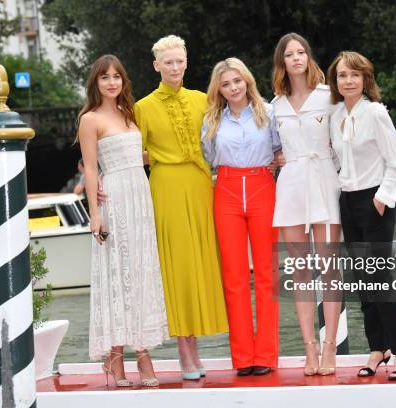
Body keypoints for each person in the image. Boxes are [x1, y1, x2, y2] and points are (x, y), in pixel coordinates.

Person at [133, 35, 229, 380]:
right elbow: (134, 153)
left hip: (202, 187)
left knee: (201, 267)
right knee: (176, 270)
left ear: (186, 63)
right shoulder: (142, 107)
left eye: (179, 61)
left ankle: (196, 349)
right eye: (168, 62)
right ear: (156, 65)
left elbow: (220, 141)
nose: (175, 67)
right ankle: (185, 355)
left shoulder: (203, 100)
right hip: (167, 189)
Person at [77, 54, 169, 387]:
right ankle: (117, 359)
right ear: (96, 82)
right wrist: (95, 213)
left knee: (140, 274)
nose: (112, 82)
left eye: (117, 76)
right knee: (117, 275)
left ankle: (139, 353)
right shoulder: (90, 119)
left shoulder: (130, 113)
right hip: (113, 198)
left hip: (140, 198)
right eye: (105, 77)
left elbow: (141, 155)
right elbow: (89, 167)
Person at [326, 51, 396, 380]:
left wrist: (382, 198)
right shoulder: (334, 113)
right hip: (346, 201)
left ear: (365, 79)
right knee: (363, 279)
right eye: (341, 76)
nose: (348, 80)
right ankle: (379, 348)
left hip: (375, 199)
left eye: (354, 75)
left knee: (379, 277)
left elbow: (393, 163)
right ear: (334, 81)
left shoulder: (377, 113)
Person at [202, 57, 281, 376]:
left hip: (263, 185)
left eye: (237, 81)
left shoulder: (268, 111)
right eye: (225, 84)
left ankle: (265, 355)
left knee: (265, 274)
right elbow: (209, 157)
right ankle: (242, 358)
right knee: (234, 277)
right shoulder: (212, 119)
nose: (233, 88)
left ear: (247, 81)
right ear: (218, 89)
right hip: (227, 188)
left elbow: (280, 149)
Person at [271, 33, 343, 376]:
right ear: (282, 62)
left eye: (301, 52)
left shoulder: (329, 96)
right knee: (300, 271)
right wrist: (274, 160)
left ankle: (330, 347)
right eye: (290, 54)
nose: (297, 58)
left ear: (308, 57)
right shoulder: (275, 106)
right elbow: (268, 149)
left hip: (325, 181)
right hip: (291, 188)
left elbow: (346, 138)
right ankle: (309, 350)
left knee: (329, 268)